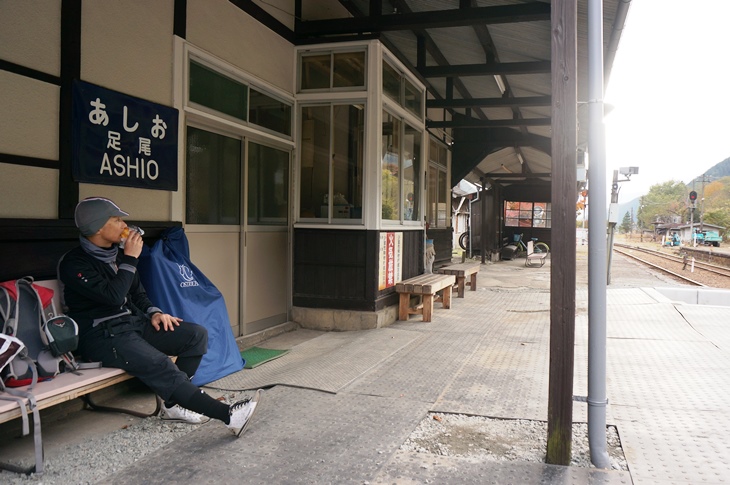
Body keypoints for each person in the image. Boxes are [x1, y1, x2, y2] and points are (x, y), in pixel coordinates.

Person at [58, 196, 259, 437]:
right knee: (161, 363)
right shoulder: (74, 263)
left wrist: (155, 313)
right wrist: (131, 258)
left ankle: (172, 405)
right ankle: (229, 416)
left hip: (129, 325)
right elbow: (112, 296)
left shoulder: (117, 256)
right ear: (98, 227)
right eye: (116, 219)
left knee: (195, 335)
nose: (124, 225)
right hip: (101, 336)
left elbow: (137, 294)